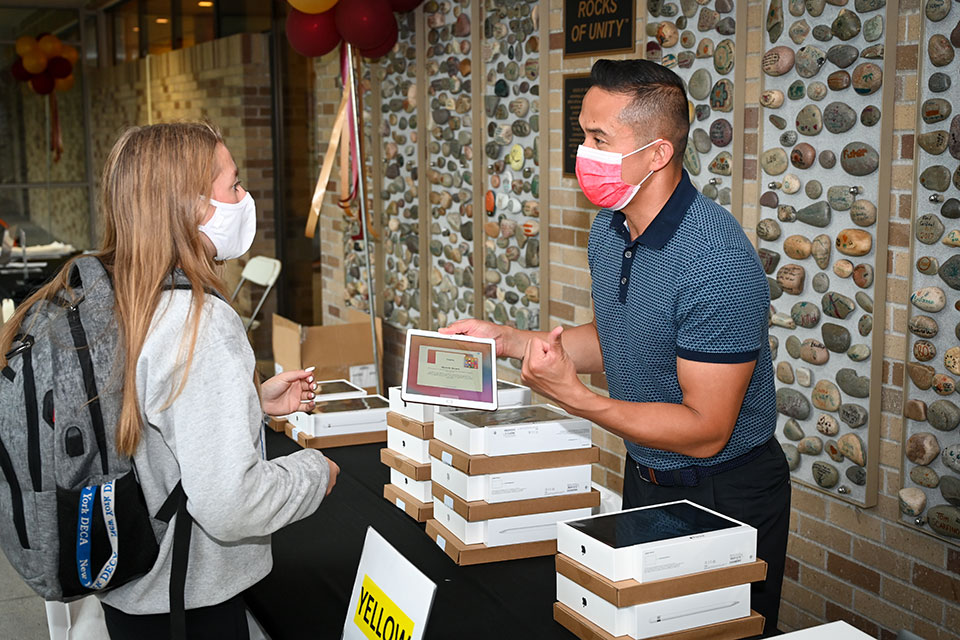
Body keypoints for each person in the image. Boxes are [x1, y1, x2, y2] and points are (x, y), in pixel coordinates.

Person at [442, 59, 789, 635]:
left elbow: (706, 428)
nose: (585, 152)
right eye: (584, 134)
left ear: (657, 154)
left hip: (725, 491)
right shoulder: (610, 226)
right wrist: (509, 340)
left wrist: (576, 400)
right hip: (645, 473)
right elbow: (621, 340)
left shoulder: (716, 260)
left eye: (600, 139)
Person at [0, 122, 339, 639]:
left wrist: (246, 401)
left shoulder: (113, 291)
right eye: (235, 185)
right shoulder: (199, 321)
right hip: (185, 604)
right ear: (193, 206)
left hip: (130, 588)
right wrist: (315, 472)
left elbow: (146, 406)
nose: (245, 197)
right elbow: (231, 503)